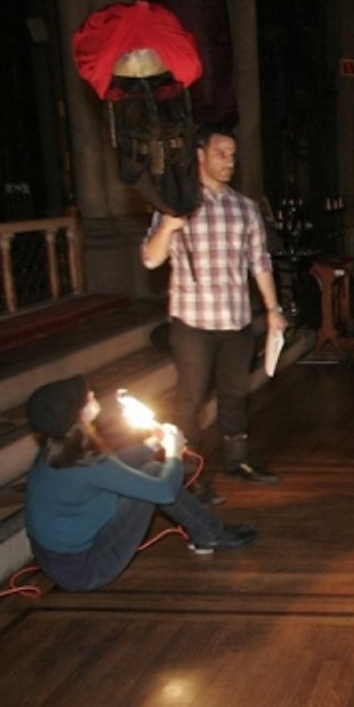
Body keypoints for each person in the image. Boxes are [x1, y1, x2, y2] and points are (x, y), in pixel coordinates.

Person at [141, 123, 286, 505]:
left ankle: (237, 461)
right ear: (200, 155)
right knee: (190, 399)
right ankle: (187, 474)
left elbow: (260, 261)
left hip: (236, 320)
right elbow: (151, 258)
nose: (229, 162)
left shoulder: (244, 207)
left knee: (235, 394)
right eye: (221, 153)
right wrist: (170, 224)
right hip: (192, 322)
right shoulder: (177, 203)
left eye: (233, 155)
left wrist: (273, 309)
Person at [23, 375, 256, 592]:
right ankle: (209, 533)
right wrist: (173, 452)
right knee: (156, 474)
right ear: (77, 415)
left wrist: (153, 444)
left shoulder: (58, 451)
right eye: (85, 396)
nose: (91, 392)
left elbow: (112, 468)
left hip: (55, 562)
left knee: (151, 471)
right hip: (86, 569)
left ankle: (207, 532)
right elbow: (164, 492)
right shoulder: (85, 463)